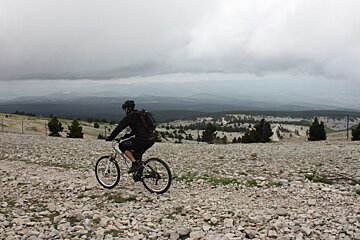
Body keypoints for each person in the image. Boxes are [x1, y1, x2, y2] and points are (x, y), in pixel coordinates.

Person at [105, 100, 155, 173]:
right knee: (137, 153)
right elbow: (137, 130)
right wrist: (126, 136)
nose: (124, 111)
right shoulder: (139, 114)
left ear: (127, 108)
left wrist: (110, 138)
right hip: (151, 139)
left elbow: (119, 128)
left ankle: (135, 164)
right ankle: (139, 174)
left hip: (142, 140)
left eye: (124, 109)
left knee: (122, 146)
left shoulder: (130, 116)